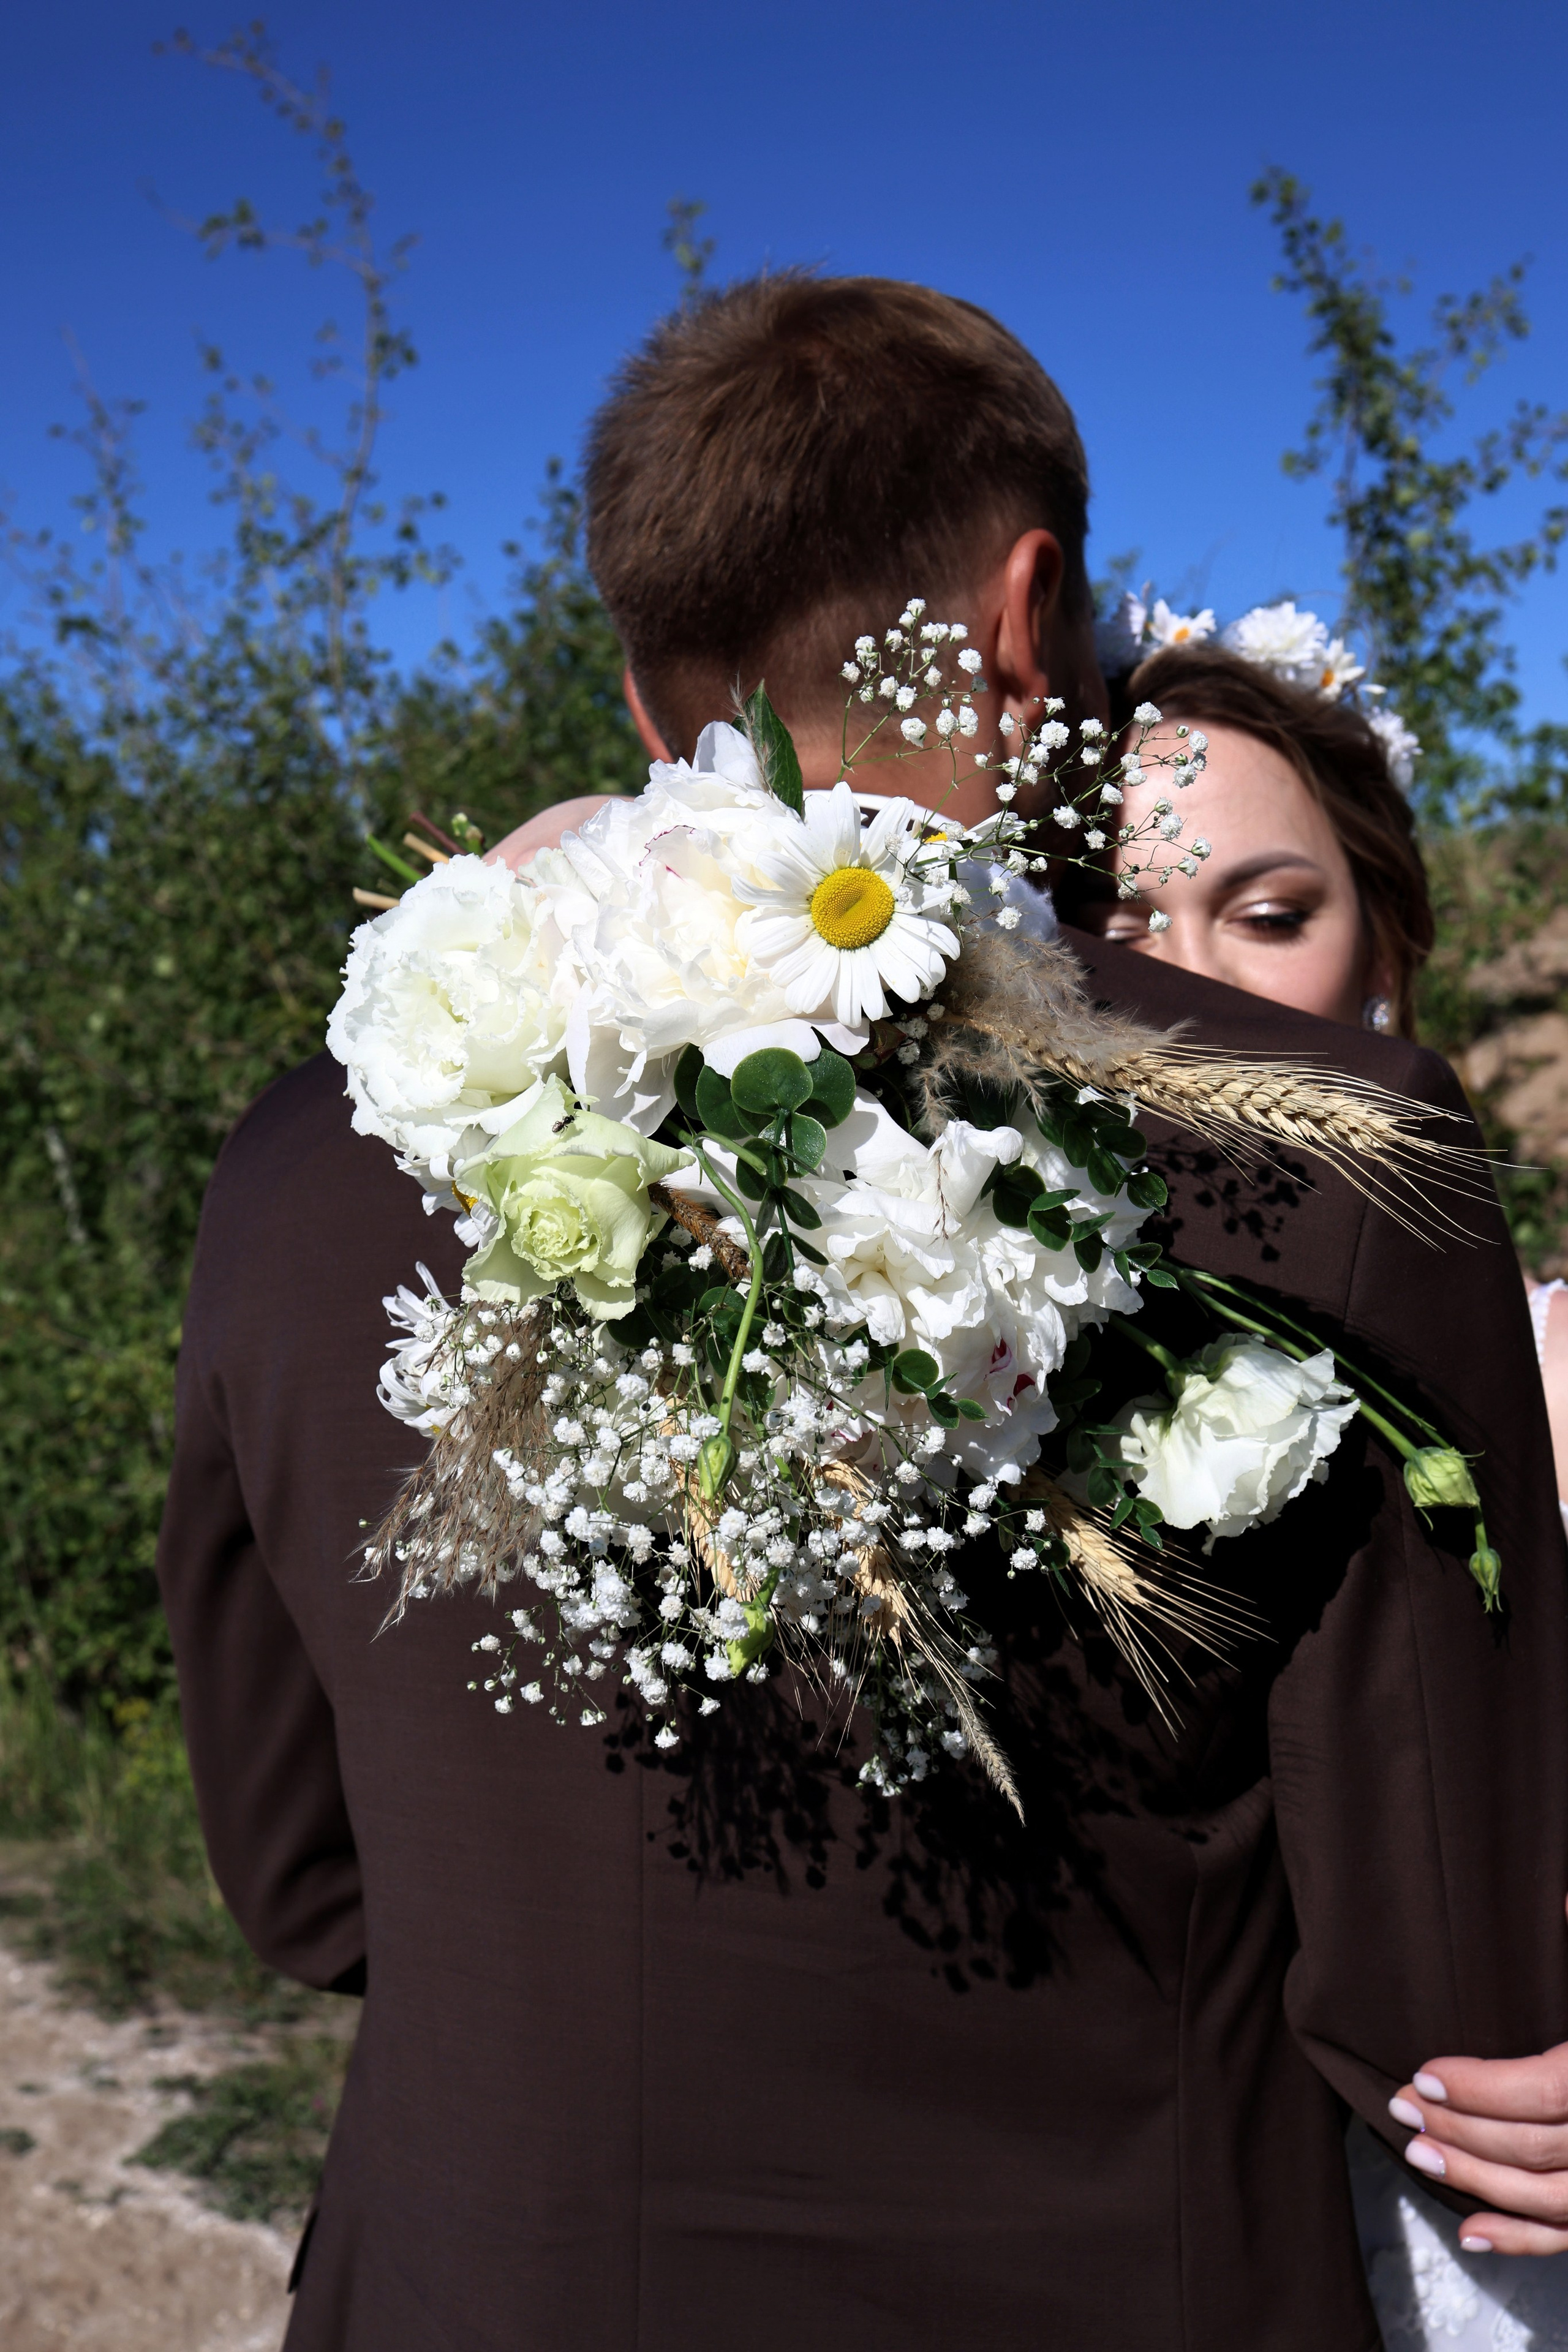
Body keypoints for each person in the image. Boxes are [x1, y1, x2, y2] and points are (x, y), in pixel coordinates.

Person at [156, 274, 1568, 2351]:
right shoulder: (1334, 1151)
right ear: (1030, 612)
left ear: (651, 707)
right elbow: (1456, 2013)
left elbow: (300, 1886)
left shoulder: (299, 1168)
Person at [1072, 638, 1568, 2338]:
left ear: (1386, 954)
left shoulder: (1561, 1368)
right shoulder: (970, 1387)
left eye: (1268, 917)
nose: (1188, 992)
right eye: (1125, 931)